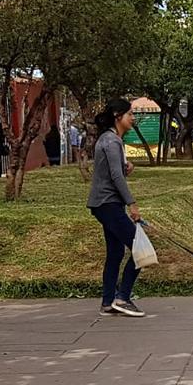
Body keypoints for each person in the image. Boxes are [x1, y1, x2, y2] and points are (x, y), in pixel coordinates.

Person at [86, 99, 145, 318]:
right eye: (130, 114)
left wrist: (125, 167)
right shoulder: (111, 141)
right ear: (118, 116)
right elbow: (115, 177)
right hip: (107, 203)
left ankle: (108, 302)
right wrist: (133, 204)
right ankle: (123, 297)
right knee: (140, 250)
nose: (133, 118)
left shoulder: (112, 140)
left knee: (116, 252)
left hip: (106, 203)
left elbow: (114, 171)